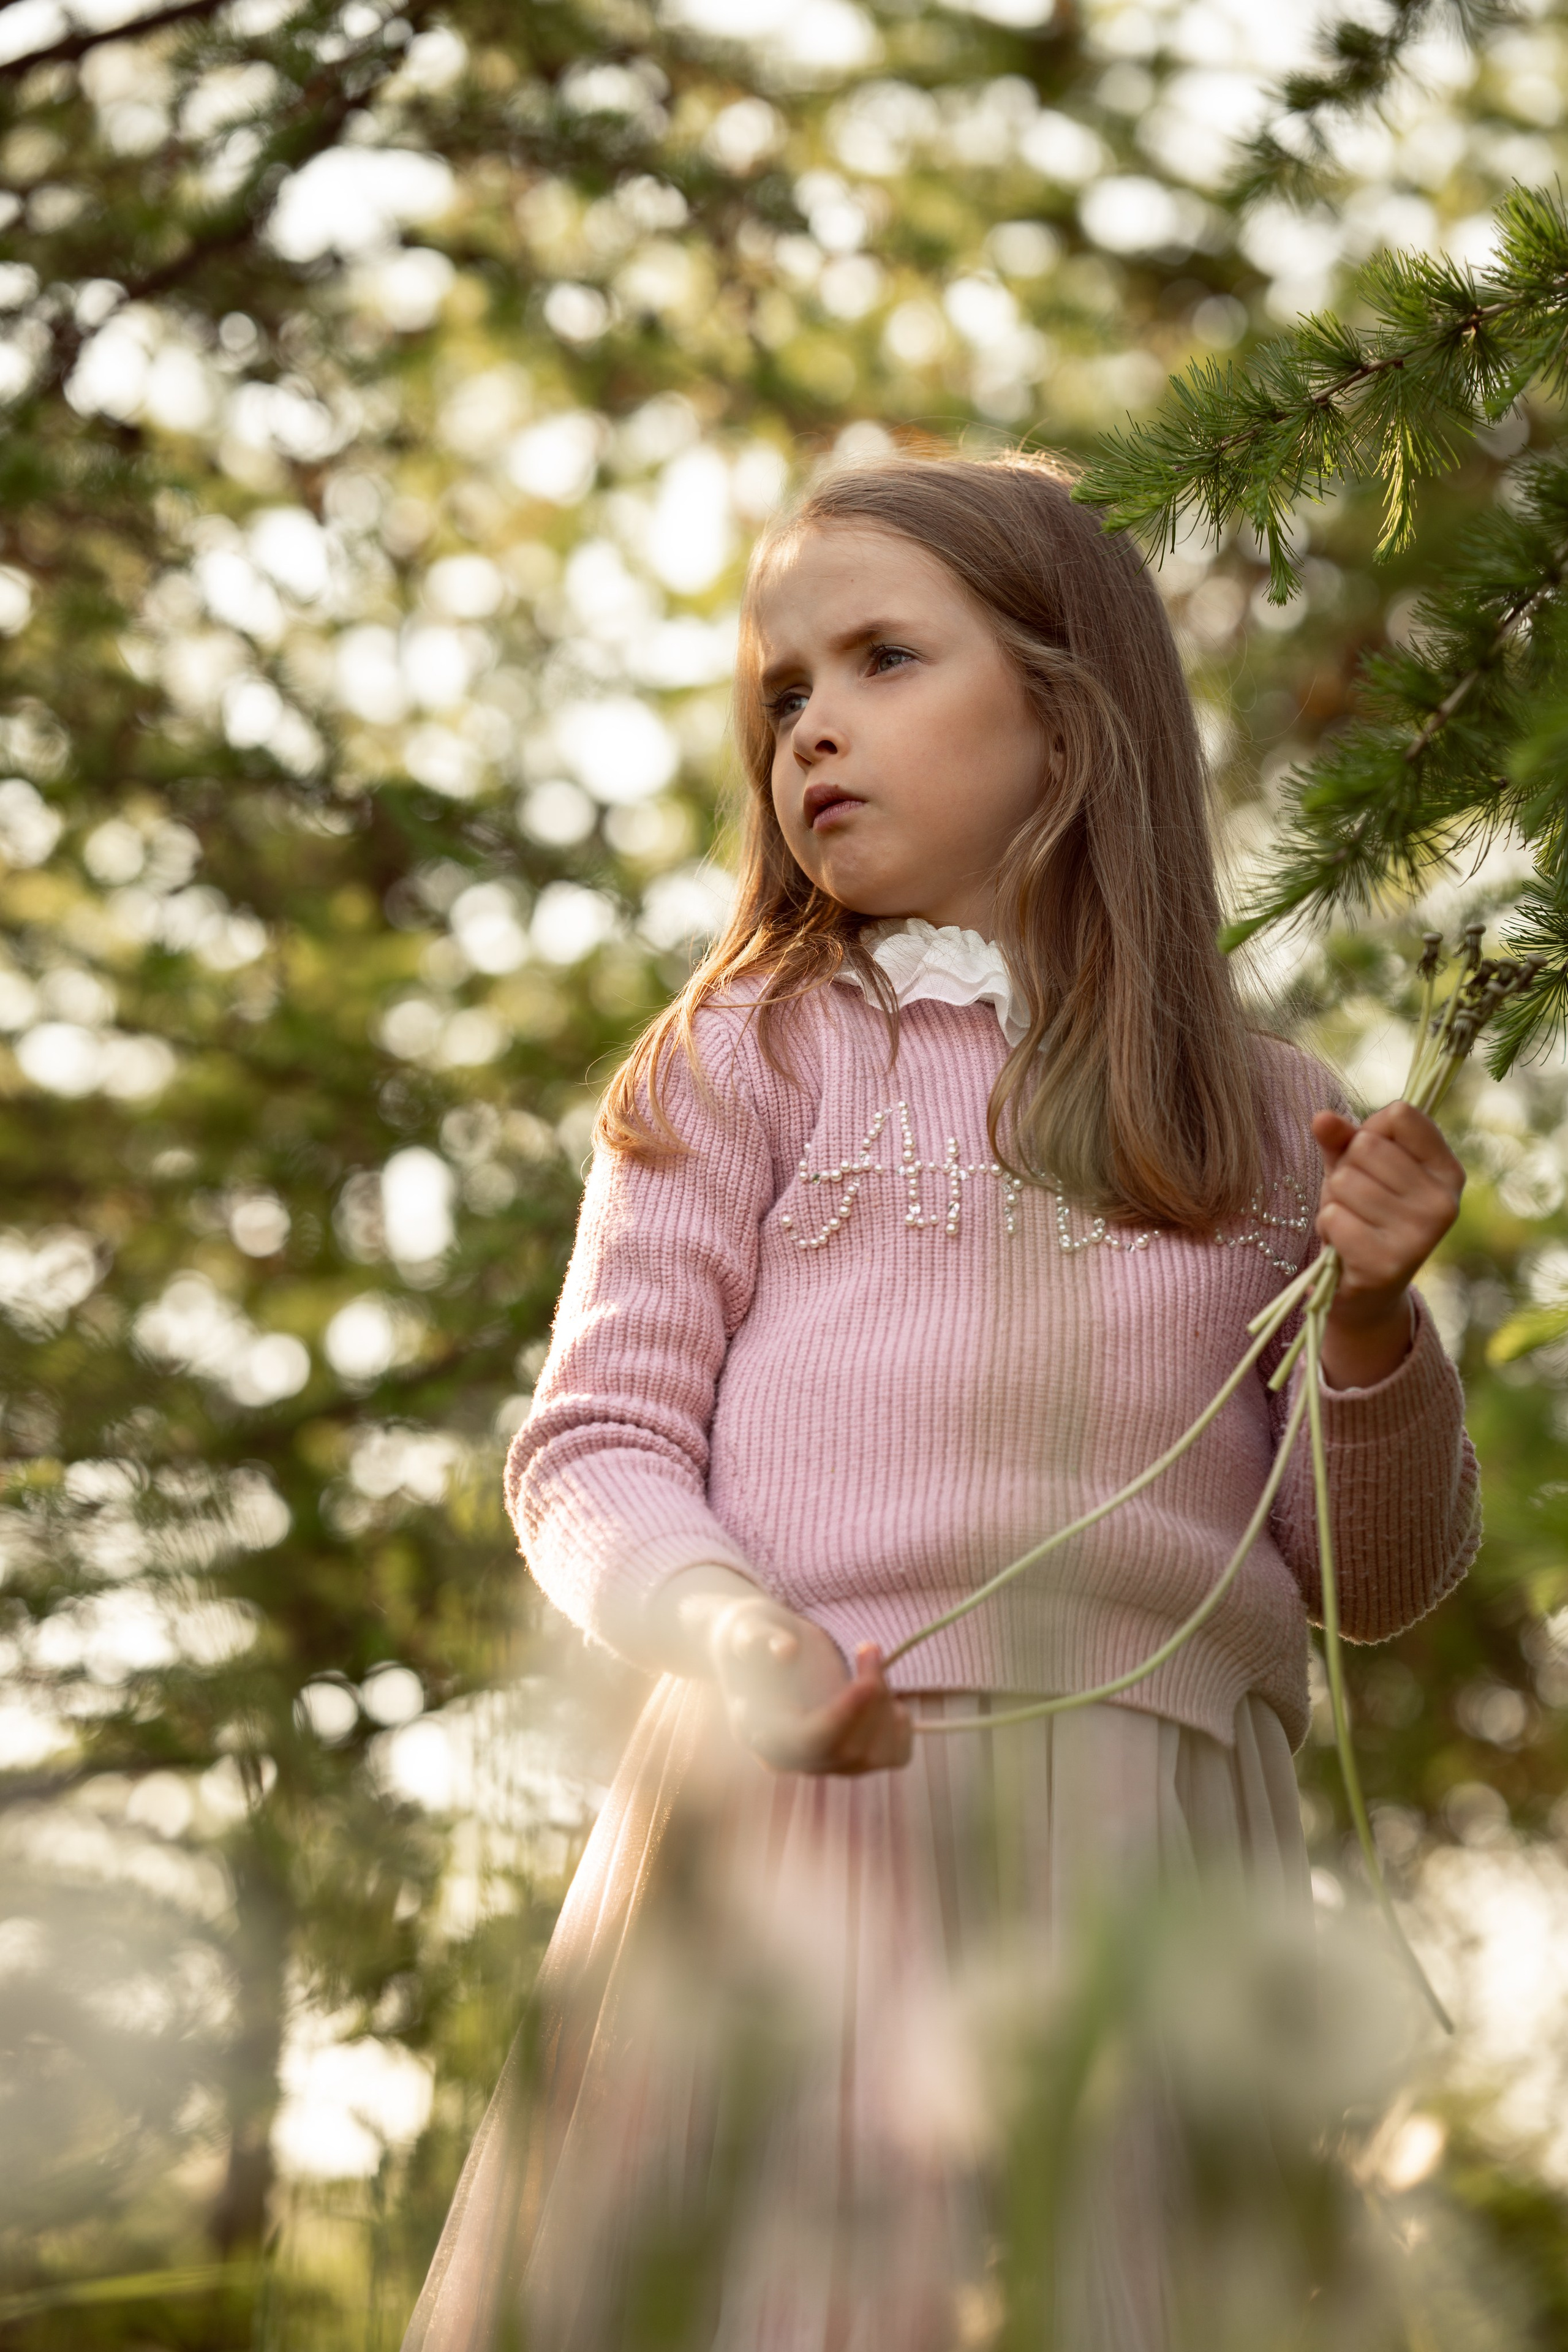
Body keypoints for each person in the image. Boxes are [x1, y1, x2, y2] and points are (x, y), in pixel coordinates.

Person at [401, 453, 1478, 2352]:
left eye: (884, 659)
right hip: (806, 1805)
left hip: (1150, 1856)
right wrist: (733, 1631)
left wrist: (1377, 1322)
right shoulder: (744, 1057)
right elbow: (597, 1442)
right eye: (782, 694)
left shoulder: (1259, 1114)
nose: (811, 728)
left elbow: (1371, 1577)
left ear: (1069, 715)